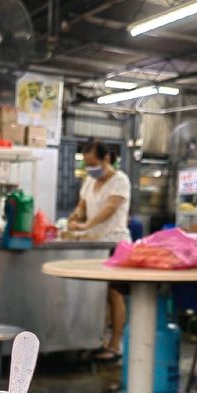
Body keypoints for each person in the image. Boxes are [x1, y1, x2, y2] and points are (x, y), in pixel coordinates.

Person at [68, 139, 132, 362]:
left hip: (115, 244)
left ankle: (115, 345)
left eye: (93, 163)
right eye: (86, 164)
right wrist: (76, 216)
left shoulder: (120, 181)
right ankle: (97, 341)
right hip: (94, 244)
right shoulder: (89, 181)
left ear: (106, 159)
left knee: (115, 296)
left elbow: (109, 209)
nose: (90, 169)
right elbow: (82, 205)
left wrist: (85, 226)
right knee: (98, 296)